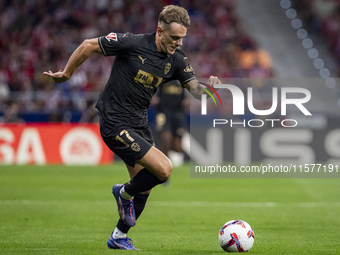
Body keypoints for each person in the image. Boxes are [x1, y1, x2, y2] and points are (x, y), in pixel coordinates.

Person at [43, 5, 221, 250]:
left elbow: (194, 89)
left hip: (138, 123)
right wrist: (66, 73)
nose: (179, 43)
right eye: (174, 38)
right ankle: (123, 192)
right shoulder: (131, 43)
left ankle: (118, 236)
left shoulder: (176, 60)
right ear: (159, 30)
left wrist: (208, 88)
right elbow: (88, 45)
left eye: (182, 38)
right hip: (114, 120)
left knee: (145, 187)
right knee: (164, 170)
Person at [154, 80, 188, 166]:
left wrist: (187, 100)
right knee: (166, 139)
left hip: (178, 113)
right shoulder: (162, 77)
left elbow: (188, 95)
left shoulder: (183, 78)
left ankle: (171, 160)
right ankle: (164, 163)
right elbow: (153, 93)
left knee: (177, 146)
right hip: (163, 113)